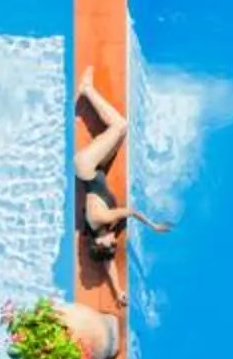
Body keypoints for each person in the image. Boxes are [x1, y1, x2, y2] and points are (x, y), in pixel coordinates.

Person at [73, 69, 172, 277]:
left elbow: (131, 212)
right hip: (93, 168)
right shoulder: (95, 230)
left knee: (119, 126)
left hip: (87, 164)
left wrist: (153, 225)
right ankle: (88, 92)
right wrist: (117, 291)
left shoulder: (103, 217)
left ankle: (87, 90)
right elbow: (106, 263)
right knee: (119, 133)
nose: (114, 241)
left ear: (99, 242)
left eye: (110, 245)